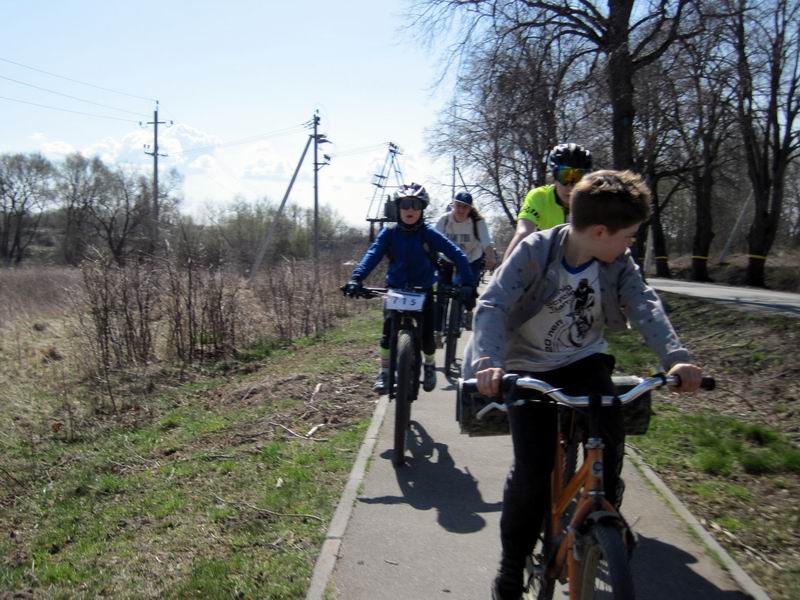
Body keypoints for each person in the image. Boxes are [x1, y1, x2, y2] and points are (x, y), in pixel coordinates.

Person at [461, 170, 704, 600]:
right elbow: (493, 304)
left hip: (581, 358)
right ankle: (511, 569)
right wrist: (488, 361)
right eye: (627, 236)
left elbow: (644, 305)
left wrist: (677, 357)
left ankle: (602, 511)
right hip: (525, 367)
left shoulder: (617, 263)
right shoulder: (536, 252)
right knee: (532, 472)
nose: (631, 244)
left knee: (609, 429)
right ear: (598, 231)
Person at [344, 183, 477, 395]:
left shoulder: (429, 233)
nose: (410, 209)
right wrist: (356, 279)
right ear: (398, 207)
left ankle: (430, 365)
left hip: (423, 289)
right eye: (405, 204)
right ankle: (385, 372)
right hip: (396, 289)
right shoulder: (390, 232)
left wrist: (469, 284)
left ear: (422, 208)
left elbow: (458, 255)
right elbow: (373, 254)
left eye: (415, 204)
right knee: (387, 335)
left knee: (427, 337)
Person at [503, 142, 593, 261]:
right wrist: (503, 273)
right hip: (547, 263)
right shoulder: (539, 197)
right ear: (554, 176)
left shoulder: (593, 202)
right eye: (565, 175)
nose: (571, 185)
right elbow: (523, 233)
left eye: (578, 177)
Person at [434, 191, 498, 341]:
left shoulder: (477, 222)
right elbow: (432, 239)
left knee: (468, 289)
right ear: (453, 205)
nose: (461, 210)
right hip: (447, 259)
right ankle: (437, 330)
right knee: (441, 293)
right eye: (458, 206)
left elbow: (486, 243)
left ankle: (468, 310)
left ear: (470, 209)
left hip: (470, 259)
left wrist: (490, 257)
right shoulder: (444, 220)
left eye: (465, 207)